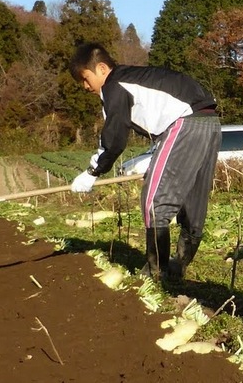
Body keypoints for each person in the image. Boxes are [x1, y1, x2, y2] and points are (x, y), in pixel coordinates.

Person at [68, 42, 220, 281]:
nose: (85, 87)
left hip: (184, 124)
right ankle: (178, 265)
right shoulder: (136, 77)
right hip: (210, 122)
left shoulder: (115, 85)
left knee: (155, 202)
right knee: (193, 199)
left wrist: (92, 171)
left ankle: (155, 271)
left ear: (101, 68)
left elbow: (114, 138)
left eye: (85, 79)